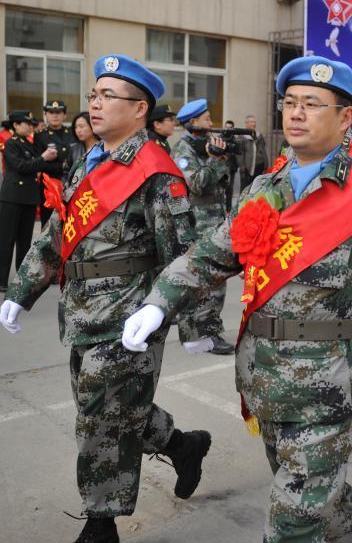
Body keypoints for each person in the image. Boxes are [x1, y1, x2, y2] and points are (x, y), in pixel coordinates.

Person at [119, 54, 352, 543]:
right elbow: (210, 254)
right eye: (289, 102)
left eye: (312, 104)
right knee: (320, 500)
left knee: (293, 520)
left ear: (346, 117)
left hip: (326, 381)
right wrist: (158, 302)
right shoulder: (265, 188)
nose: (296, 113)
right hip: (263, 375)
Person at [0, 55, 212, 543]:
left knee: (100, 418)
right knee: (113, 409)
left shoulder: (155, 170)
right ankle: (183, 445)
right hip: (80, 312)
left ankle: (102, 523)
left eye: (107, 96)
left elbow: (185, 253)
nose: (94, 103)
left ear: (140, 109)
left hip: (129, 317)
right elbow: (57, 234)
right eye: (93, 94)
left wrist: (191, 323)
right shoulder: (91, 159)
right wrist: (22, 290)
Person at [173, 99, 235, 355]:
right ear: (193, 122)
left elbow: (222, 182)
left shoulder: (203, 146)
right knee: (205, 279)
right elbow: (197, 184)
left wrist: (219, 158)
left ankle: (203, 331)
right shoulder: (183, 149)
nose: (211, 124)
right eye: (207, 119)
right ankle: (203, 334)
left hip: (215, 217)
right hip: (196, 223)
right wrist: (213, 159)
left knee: (213, 279)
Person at [0, 110, 58, 291]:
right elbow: (20, 166)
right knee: (6, 240)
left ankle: (21, 279)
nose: (30, 127)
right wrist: (42, 158)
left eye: (32, 124)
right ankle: (2, 280)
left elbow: (38, 164)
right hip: (13, 197)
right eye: (26, 123)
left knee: (25, 241)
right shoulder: (11, 144)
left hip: (29, 197)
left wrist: (47, 159)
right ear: (16, 125)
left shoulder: (29, 144)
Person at [34, 99, 76, 226]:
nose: (55, 115)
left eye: (58, 112)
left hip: (71, 183)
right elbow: (38, 162)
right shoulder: (41, 136)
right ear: (45, 115)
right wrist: (60, 165)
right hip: (50, 185)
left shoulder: (73, 133)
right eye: (51, 112)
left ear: (65, 115)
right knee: (48, 223)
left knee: (70, 221)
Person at [238, 115, 268, 190]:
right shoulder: (242, 137)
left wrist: (266, 164)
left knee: (257, 189)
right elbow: (239, 155)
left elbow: (263, 150)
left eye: (254, 122)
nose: (254, 124)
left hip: (259, 167)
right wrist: (243, 167)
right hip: (248, 168)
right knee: (245, 189)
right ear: (246, 124)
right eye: (251, 122)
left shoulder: (259, 135)